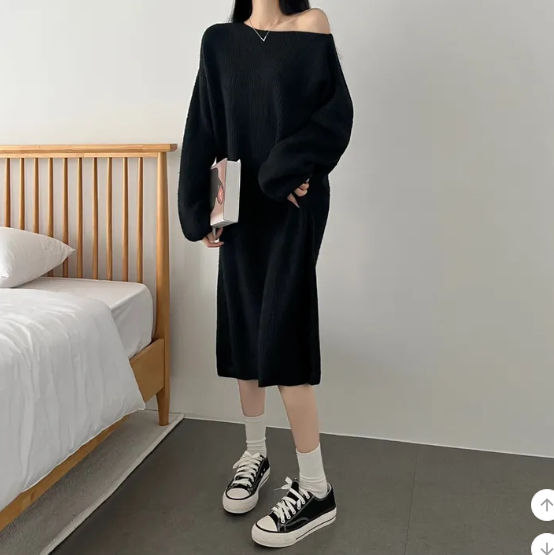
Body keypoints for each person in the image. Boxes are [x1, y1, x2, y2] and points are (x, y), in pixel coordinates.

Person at [178, 0, 353, 548]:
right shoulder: (219, 40)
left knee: (283, 328)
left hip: (294, 203)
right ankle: (255, 453)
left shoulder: (312, 25)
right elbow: (203, 126)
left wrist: (289, 166)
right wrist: (200, 210)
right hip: (239, 207)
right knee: (244, 324)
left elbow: (335, 115)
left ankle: (316, 488)